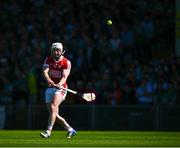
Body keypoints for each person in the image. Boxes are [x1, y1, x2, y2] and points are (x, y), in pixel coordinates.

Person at [40, 42, 76, 138]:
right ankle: (70, 129)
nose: (56, 52)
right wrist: (49, 80)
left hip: (61, 88)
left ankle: (48, 132)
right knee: (53, 113)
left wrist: (60, 84)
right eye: (54, 50)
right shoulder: (47, 60)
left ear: (62, 51)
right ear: (51, 51)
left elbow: (65, 76)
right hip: (50, 88)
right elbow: (45, 72)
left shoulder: (66, 62)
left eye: (58, 50)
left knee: (53, 107)